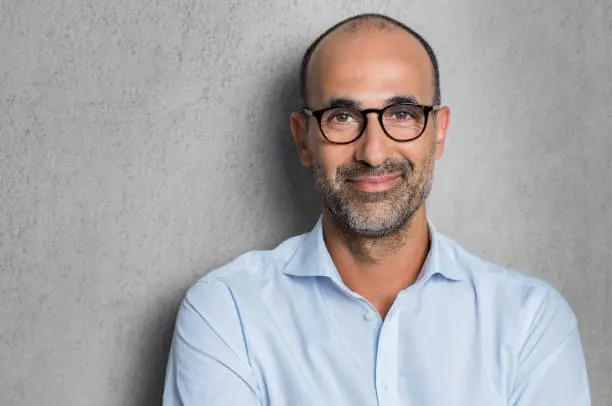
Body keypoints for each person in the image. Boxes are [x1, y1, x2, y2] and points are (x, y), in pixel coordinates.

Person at [162, 13, 591, 406]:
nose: (373, 151)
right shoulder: (228, 313)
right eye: (342, 116)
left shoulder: (530, 321)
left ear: (438, 135)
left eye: (402, 113)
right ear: (303, 139)